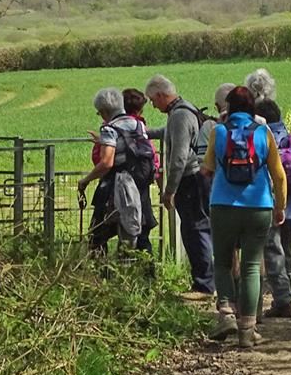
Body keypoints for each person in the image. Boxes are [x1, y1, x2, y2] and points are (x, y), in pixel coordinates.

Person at [200, 86, 287, 348]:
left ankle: (227, 313)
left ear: (228, 107)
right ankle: (247, 331)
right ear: (252, 108)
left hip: (223, 205)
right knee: (251, 266)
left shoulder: (219, 132)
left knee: (223, 262)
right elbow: (279, 175)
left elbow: (206, 169)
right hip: (258, 206)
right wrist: (280, 207)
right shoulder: (264, 133)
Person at [144, 74, 215, 296]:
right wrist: (142, 132)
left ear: (161, 94)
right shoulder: (185, 109)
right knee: (197, 227)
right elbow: (170, 133)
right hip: (198, 178)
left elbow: (178, 158)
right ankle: (204, 281)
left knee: (195, 229)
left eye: (153, 100)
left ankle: (203, 285)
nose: (153, 106)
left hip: (190, 180)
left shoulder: (179, 115)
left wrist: (169, 190)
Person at [78, 88, 146, 254]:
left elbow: (107, 163)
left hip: (112, 189)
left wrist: (85, 180)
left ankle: (101, 275)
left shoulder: (109, 129)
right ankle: (127, 270)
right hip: (136, 187)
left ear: (104, 111)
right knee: (128, 235)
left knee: (97, 234)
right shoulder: (138, 125)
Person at [256, 99, 291, 319]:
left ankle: (283, 299)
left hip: (272, 204)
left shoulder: (262, 138)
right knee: (288, 251)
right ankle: (289, 292)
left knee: (273, 251)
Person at [122, 88, 160, 253]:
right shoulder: (140, 128)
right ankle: (148, 273)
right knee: (143, 233)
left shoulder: (114, 127)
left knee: (112, 232)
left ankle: (109, 273)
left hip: (120, 186)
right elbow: (153, 157)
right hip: (141, 186)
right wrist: (157, 176)